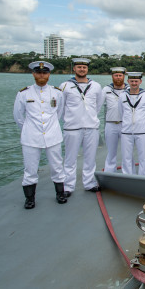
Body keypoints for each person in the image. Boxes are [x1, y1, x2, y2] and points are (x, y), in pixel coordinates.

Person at [13, 61, 67, 209]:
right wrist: (29, 129)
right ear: (33, 74)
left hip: (52, 135)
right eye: (38, 72)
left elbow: (59, 113)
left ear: (49, 74)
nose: (41, 75)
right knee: (30, 169)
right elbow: (18, 116)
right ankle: (30, 199)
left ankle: (60, 194)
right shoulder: (24, 93)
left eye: (44, 73)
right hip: (31, 137)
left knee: (57, 166)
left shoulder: (57, 93)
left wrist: (51, 127)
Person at [60, 58, 104, 196]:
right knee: (70, 159)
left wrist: (88, 117)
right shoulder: (65, 86)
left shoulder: (96, 86)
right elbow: (60, 108)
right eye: (79, 67)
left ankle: (89, 183)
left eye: (84, 67)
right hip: (72, 128)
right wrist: (71, 119)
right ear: (74, 68)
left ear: (87, 69)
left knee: (90, 158)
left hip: (91, 127)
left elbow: (98, 105)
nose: (82, 69)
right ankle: (68, 186)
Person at [118, 72, 145, 176]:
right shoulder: (122, 96)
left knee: (144, 157)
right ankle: (128, 176)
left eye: (136, 81)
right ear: (128, 81)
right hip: (126, 131)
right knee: (126, 157)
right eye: (132, 81)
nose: (134, 83)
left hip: (142, 131)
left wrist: (143, 124)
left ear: (140, 82)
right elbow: (121, 112)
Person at [102, 67, 129, 172]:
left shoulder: (129, 90)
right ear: (112, 76)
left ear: (124, 76)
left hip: (125, 124)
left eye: (120, 75)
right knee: (111, 152)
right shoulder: (106, 90)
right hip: (110, 124)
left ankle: (128, 174)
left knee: (127, 152)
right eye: (116, 75)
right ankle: (110, 172)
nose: (118, 77)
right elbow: (98, 105)